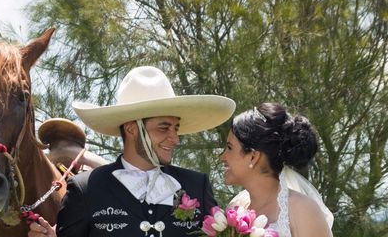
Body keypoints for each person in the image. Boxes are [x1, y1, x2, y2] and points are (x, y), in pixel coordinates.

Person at [28, 66, 235, 237]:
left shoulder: (197, 185)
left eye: (176, 128)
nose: (175, 138)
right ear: (131, 129)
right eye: (164, 128)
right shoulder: (85, 189)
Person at [221, 103, 333, 237]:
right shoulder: (236, 207)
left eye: (229, 148)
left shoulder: (302, 210)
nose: (223, 157)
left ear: (253, 157)